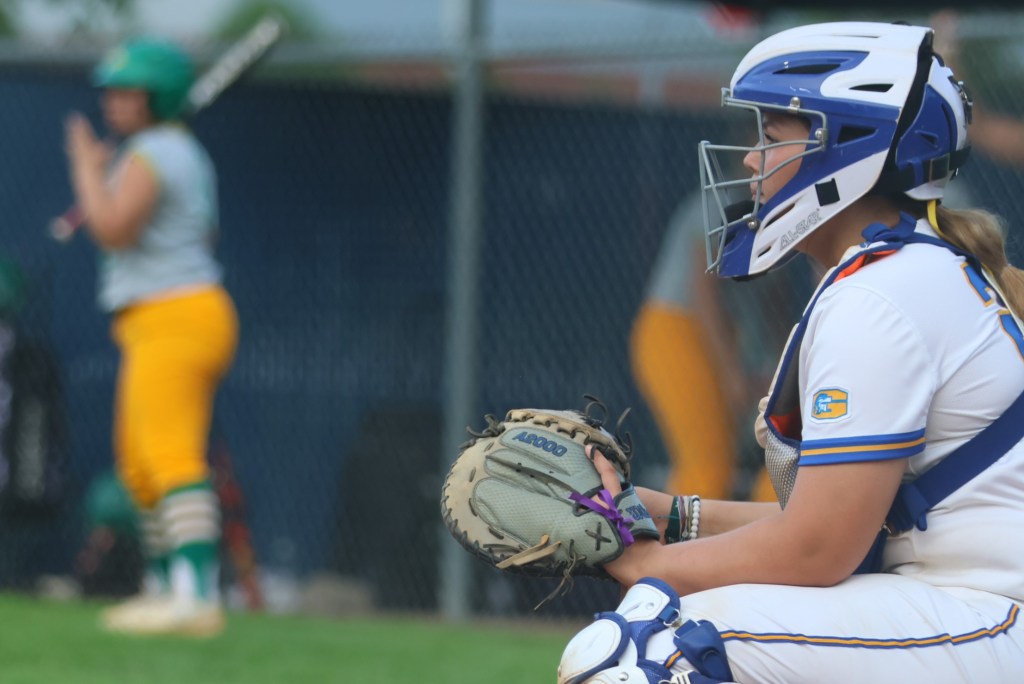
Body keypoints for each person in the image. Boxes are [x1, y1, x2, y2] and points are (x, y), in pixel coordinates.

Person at [558, 21, 1024, 683]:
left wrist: (646, 564)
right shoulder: (907, 269)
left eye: (772, 137)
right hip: (969, 604)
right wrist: (668, 514)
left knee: (649, 647)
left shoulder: (880, 293)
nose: (751, 160)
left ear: (850, 148)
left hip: (991, 613)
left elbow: (820, 548)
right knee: (672, 621)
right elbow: (839, 519)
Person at [64, 38, 238, 637]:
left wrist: (87, 170)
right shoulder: (172, 149)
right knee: (140, 466)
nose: (111, 101)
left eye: (126, 91)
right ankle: (166, 590)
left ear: (158, 97)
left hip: (176, 316)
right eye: (109, 90)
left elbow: (112, 227)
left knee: (170, 457)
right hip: (161, 318)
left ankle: (196, 597)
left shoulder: (156, 150)